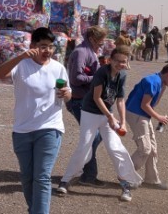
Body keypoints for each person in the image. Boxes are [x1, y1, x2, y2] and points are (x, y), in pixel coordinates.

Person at [0, 27, 71, 214]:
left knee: (42, 176)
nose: (47, 51)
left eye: (50, 47)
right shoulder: (22, 65)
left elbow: (68, 94)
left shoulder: (58, 68)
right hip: (23, 129)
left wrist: (66, 93)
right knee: (27, 177)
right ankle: (34, 213)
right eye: (43, 46)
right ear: (33, 46)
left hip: (50, 127)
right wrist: (21, 56)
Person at [56, 46, 142, 202]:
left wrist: (122, 122)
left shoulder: (122, 75)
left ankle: (126, 183)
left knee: (116, 148)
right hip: (90, 113)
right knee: (84, 146)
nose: (120, 64)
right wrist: (110, 117)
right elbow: (97, 98)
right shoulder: (102, 72)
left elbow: (120, 100)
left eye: (123, 61)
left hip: (106, 115)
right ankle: (66, 180)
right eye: (117, 61)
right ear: (110, 60)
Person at [125, 61, 168, 189]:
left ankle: (151, 179)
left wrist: (164, 88)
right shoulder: (152, 82)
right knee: (145, 149)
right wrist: (159, 117)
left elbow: (153, 104)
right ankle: (125, 175)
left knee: (152, 148)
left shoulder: (160, 83)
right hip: (136, 114)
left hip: (143, 115)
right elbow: (145, 105)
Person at [65, 26, 108, 187]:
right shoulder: (81, 52)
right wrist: (98, 78)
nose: (102, 44)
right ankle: (87, 174)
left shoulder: (90, 51)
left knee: (94, 137)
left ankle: (86, 172)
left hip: (87, 100)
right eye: (100, 41)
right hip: (79, 101)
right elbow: (76, 78)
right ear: (92, 39)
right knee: (93, 137)